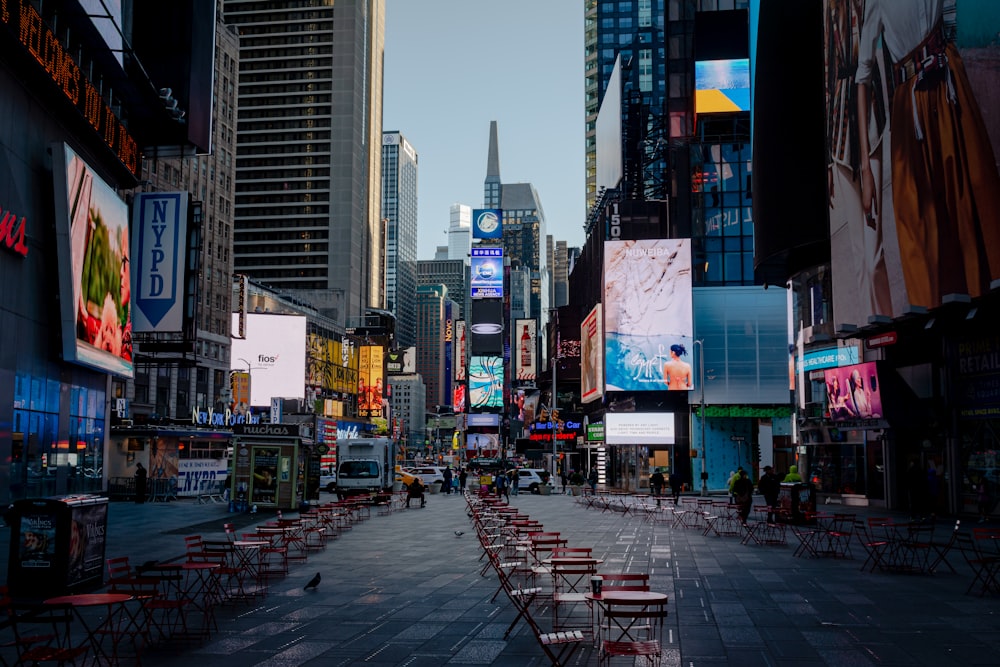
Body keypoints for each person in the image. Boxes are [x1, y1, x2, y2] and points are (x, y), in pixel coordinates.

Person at [856, 0, 1000, 312]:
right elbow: (862, 76)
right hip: (911, 103)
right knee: (918, 215)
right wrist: (865, 169)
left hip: (948, 79)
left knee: (971, 187)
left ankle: (984, 295)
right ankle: (934, 310)